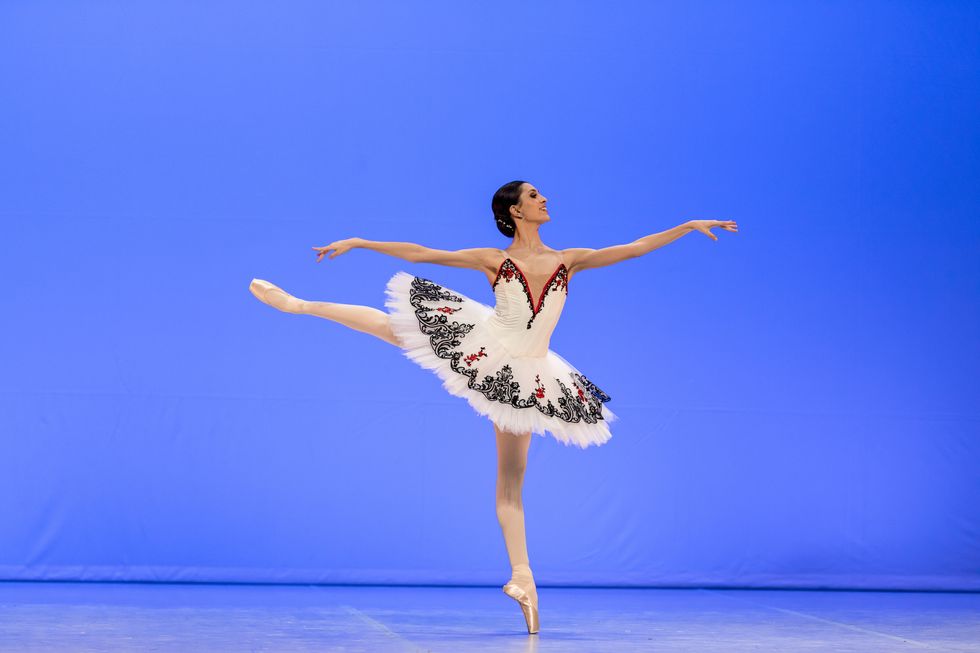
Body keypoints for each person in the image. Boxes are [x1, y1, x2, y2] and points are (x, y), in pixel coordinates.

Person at [248, 180, 738, 634]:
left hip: (531, 372)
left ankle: (523, 580)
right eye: (534, 195)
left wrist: (687, 226)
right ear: (514, 210)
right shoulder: (492, 259)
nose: (544, 200)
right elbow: (423, 253)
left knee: (511, 483)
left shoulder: (570, 259)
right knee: (392, 329)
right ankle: (299, 305)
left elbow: (633, 248)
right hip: (487, 346)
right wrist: (361, 242)